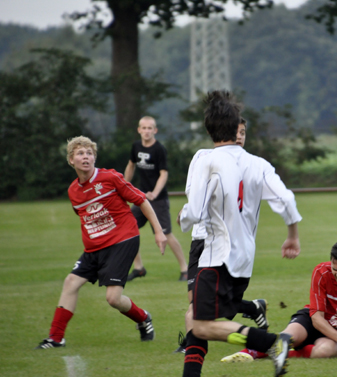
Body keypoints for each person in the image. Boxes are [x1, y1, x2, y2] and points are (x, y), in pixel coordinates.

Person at [178, 91, 302, 377]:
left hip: (216, 258)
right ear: (237, 128)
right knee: (201, 321)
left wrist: (182, 218)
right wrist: (292, 235)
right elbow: (286, 200)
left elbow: (195, 210)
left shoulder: (208, 160)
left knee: (199, 325)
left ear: (209, 129)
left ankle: (272, 342)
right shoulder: (258, 163)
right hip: (244, 262)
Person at [35, 136, 167, 349]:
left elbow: (141, 200)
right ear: (71, 160)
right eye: (80, 153)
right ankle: (55, 338)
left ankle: (143, 318)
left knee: (113, 299)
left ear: (94, 157)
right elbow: (85, 217)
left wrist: (159, 232)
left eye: (89, 153)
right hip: (95, 248)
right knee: (70, 282)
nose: (85, 157)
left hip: (123, 240)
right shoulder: (73, 191)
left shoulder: (110, 178)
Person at [174, 118, 269, 354]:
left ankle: (192, 346)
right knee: (195, 300)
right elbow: (193, 194)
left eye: (243, 133)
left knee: (198, 310)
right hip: (201, 237)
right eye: (235, 131)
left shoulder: (247, 164)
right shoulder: (203, 158)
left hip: (224, 245)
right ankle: (252, 310)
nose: (239, 136)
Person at [124, 116, 187, 281]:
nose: (146, 131)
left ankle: (185, 269)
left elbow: (163, 174)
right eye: (143, 128)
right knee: (128, 231)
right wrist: (124, 185)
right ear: (139, 130)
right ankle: (138, 268)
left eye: (149, 128)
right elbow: (131, 165)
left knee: (166, 234)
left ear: (155, 130)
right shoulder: (136, 146)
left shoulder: (159, 149)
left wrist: (155, 192)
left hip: (158, 200)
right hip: (140, 199)